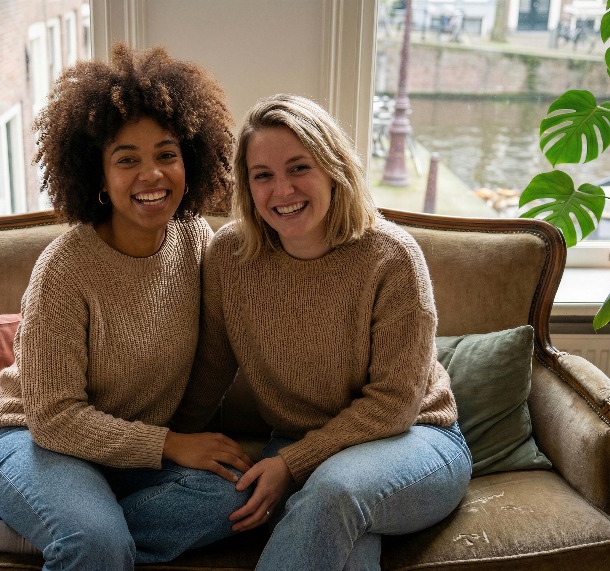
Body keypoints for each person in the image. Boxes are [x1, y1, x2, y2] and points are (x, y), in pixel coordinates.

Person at [0, 44, 252, 568]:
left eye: (166, 154)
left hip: (129, 451)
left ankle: (43, 536)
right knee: (96, 543)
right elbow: (55, 419)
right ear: (98, 176)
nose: (152, 174)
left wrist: (179, 441)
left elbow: (211, 360)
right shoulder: (64, 270)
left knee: (243, 495)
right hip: (35, 441)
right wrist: (170, 445)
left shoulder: (195, 239)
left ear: (190, 160)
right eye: (127, 159)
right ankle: (82, 534)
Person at [172, 94, 472, 570]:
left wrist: (292, 465)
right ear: (247, 187)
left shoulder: (392, 258)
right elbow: (210, 369)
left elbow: (394, 403)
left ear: (333, 169)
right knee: (342, 542)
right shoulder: (230, 256)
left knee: (334, 491)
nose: (282, 190)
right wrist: (167, 445)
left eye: (299, 168)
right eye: (262, 175)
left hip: (414, 441)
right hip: (298, 443)